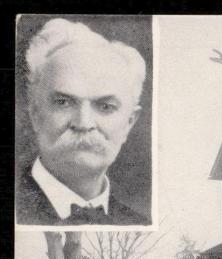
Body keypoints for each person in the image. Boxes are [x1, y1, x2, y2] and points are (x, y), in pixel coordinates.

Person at [16, 18, 148, 225]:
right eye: (63, 102)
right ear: (35, 114)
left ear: (129, 123)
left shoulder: (137, 221)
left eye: (105, 107)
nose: (84, 123)